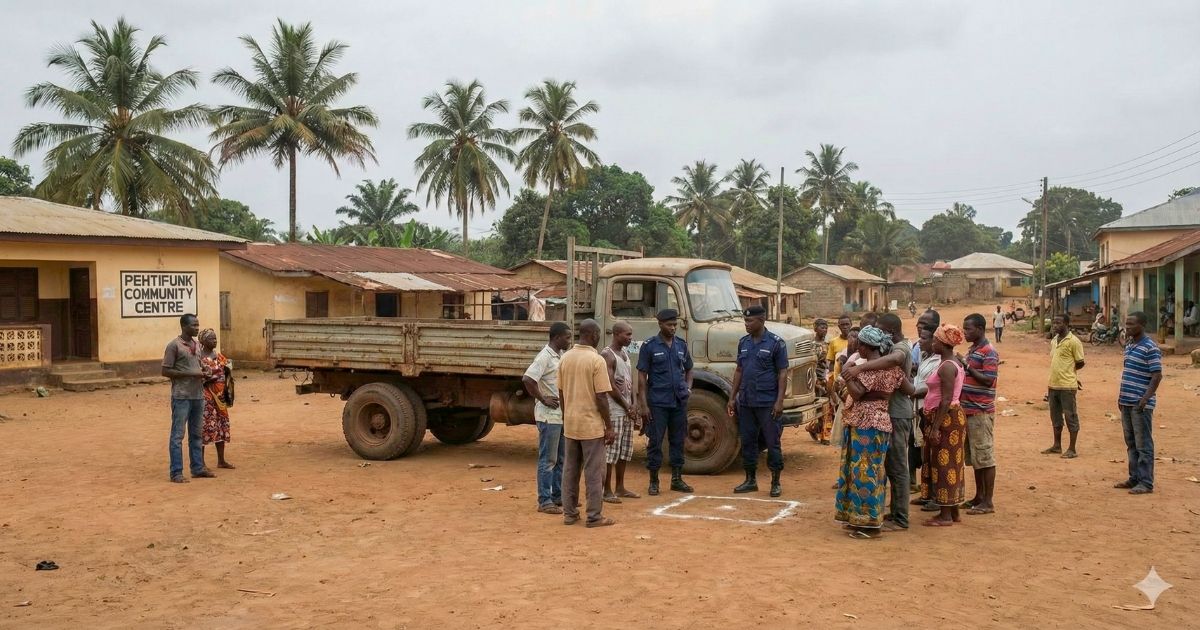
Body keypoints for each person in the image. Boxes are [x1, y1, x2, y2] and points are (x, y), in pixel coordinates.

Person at [841, 313, 915, 530]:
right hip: (885, 414)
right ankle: (880, 514)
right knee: (878, 468)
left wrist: (857, 369)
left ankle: (899, 518)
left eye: (881, 330)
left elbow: (895, 362)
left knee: (896, 467)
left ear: (890, 332)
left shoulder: (900, 348)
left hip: (895, 414)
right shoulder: (887, 351)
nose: (879, 333)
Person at [558, 319, 617, 527]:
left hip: (571, 424)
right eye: (598, 333)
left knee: (570, 470)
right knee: (594, 472)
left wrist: (567, 416)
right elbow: (602, 396)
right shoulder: (596, 360)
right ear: (592, 334)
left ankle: (570, 513)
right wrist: (609, 426)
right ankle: (594, 516)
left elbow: (561, 392)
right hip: (591, 425)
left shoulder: (565, 358)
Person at [726, 305, 788, 497]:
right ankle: (750, 480)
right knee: (748, 441)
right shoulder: (743, 342)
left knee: (772, 442)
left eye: (750, 321)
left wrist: (779, 401)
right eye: (745, 321)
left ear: (761, 320)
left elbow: (783, 373)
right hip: (746, 401)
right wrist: (732, 397)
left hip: (767, 402)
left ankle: (775, 482)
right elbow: (739, 370)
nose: (746, 324)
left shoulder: (776, 343)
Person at [637, 309, 694, 495]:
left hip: (678, 401)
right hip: (658, 402)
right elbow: (642, 376)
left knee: (678, 440)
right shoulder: (649, 346)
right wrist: (644, 405)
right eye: (669, 325)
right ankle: (654, 481)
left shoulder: (681, 345)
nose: (673, 328)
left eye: (675, 325)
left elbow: (689, 369)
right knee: (655, 441)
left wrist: (688, 388)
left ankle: (677, 479)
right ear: (660, 324)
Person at [919, 324, 968, 526]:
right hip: (947, 418)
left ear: (943, 343)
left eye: (936, 341)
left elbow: (946, 400)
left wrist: (935, 427)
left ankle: (945, 515)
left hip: (946, 419)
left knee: (944, 464)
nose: (933, 343)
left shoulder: (947, 366)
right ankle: (953, 511)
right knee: (952, 464)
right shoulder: (951, 362)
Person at [523, 322, 573, 515]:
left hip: (559, 416)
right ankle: (544, 500)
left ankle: (558, 496)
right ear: (557, 337)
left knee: (561, 458)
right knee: (548, 459)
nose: (569, 341)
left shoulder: (558, 356)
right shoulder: (544, 356)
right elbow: (528, 379)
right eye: (567, 338)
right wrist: (543, 398)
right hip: (548, 417)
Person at [160, 313, 213, 483]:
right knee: (177, 436)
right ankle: (176, 472)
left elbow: (198, 365)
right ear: (184, 326)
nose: (197, 328)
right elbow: (165, 371)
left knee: (196, 434)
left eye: (198, 325)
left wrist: (205, 370)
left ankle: (197, 468)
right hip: (181, 396)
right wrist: (191, 373)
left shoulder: (196, 345)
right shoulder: (174, 346)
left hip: (198, 395)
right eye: (194, 326)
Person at [1114, 312, 1162, 495]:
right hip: (1126, 401)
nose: (1128, 327)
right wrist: (1120, 397)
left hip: (1140, 404)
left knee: (1143, 444)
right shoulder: (1130, 345)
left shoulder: (1150, 347)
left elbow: (1157, 375)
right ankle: (1134, 478)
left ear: (1142, 325)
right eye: (1126, 324)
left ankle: (1146, 482)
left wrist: (1145, 398)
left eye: (1132, 324)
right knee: (1131, 443)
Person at [959, 313, 999, 515]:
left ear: (981, 329)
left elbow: (988, 380)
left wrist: (966, 366)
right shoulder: (973, 350)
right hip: (969, 410)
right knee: (976, 458)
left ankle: (988, 501)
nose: (965, 332)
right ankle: (979, 496)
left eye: (969, 329)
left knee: (985, 457)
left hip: (981, 412)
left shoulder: (988, 352)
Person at [601, 321, 641, 503]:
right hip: (614, 410)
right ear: (616, 334)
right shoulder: (607, 355)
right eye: (627, 335)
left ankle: (620, 487)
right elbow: (609, 386)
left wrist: (633, 403)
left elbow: (629, 380)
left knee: (624, 450)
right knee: (611, 453)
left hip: (626, 409)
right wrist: (627, 406)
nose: (630, 338)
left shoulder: (624, 353)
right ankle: (607, 490)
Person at [1044, 314, 1085, 459]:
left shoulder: (1074, 341)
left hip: (1067, 386)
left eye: (1059, 323)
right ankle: (1057, 446)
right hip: (1053, 384)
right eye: (1054, 323)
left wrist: (1070, 373)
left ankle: (1072, 449)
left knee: (1070, 416)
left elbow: (1080, 362)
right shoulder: (1054, 340)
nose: (1055, 325)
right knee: (1055, 417)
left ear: (1067, 324)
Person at [809, 315, 851, 444]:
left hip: (831, 379)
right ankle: (822, 432)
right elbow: (828, 363)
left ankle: (817, 429)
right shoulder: (813, 345)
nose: (825, 330)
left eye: (826, 327)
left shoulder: (828, 343)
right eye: (822, 327)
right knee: (822, 406)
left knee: (831, 407)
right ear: (815, 329)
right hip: (817, 378)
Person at [198, 329, 235, 470]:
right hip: (206, 395)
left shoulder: (218, 355)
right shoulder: (199, 357)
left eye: (215, 338)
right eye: (211, 339)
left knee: (221, 425)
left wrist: (227, 369)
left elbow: (227, 369)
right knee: (205, 427)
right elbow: (199, 375)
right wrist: (210, 377)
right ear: (203, 341)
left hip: (220, 397)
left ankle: (221, 460)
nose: (215, 341)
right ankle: (200, 463)